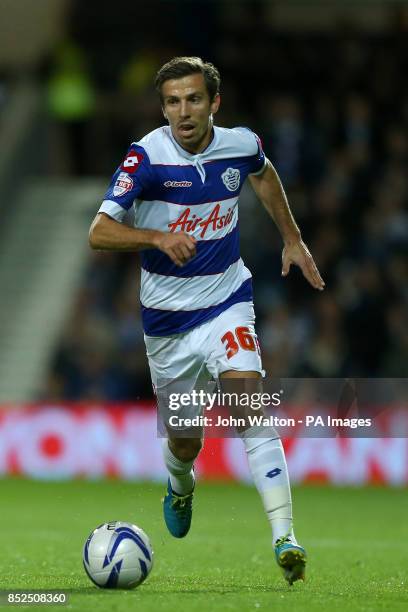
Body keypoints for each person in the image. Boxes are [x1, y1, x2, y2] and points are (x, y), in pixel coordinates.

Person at [89, 56, 325, 585]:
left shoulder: (240, 143)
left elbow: (262, 175)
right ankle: (180, 484)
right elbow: (99, 231)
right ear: (163, 107)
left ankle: (285, 535)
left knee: (249, 403)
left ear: (214, 102)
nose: (183, 111)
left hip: (226, 301)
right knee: (185, 441)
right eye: (172, 102)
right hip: (168, 322)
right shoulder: (144, 158)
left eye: (193, 99)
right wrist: (155, 237)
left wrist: (292, 237)